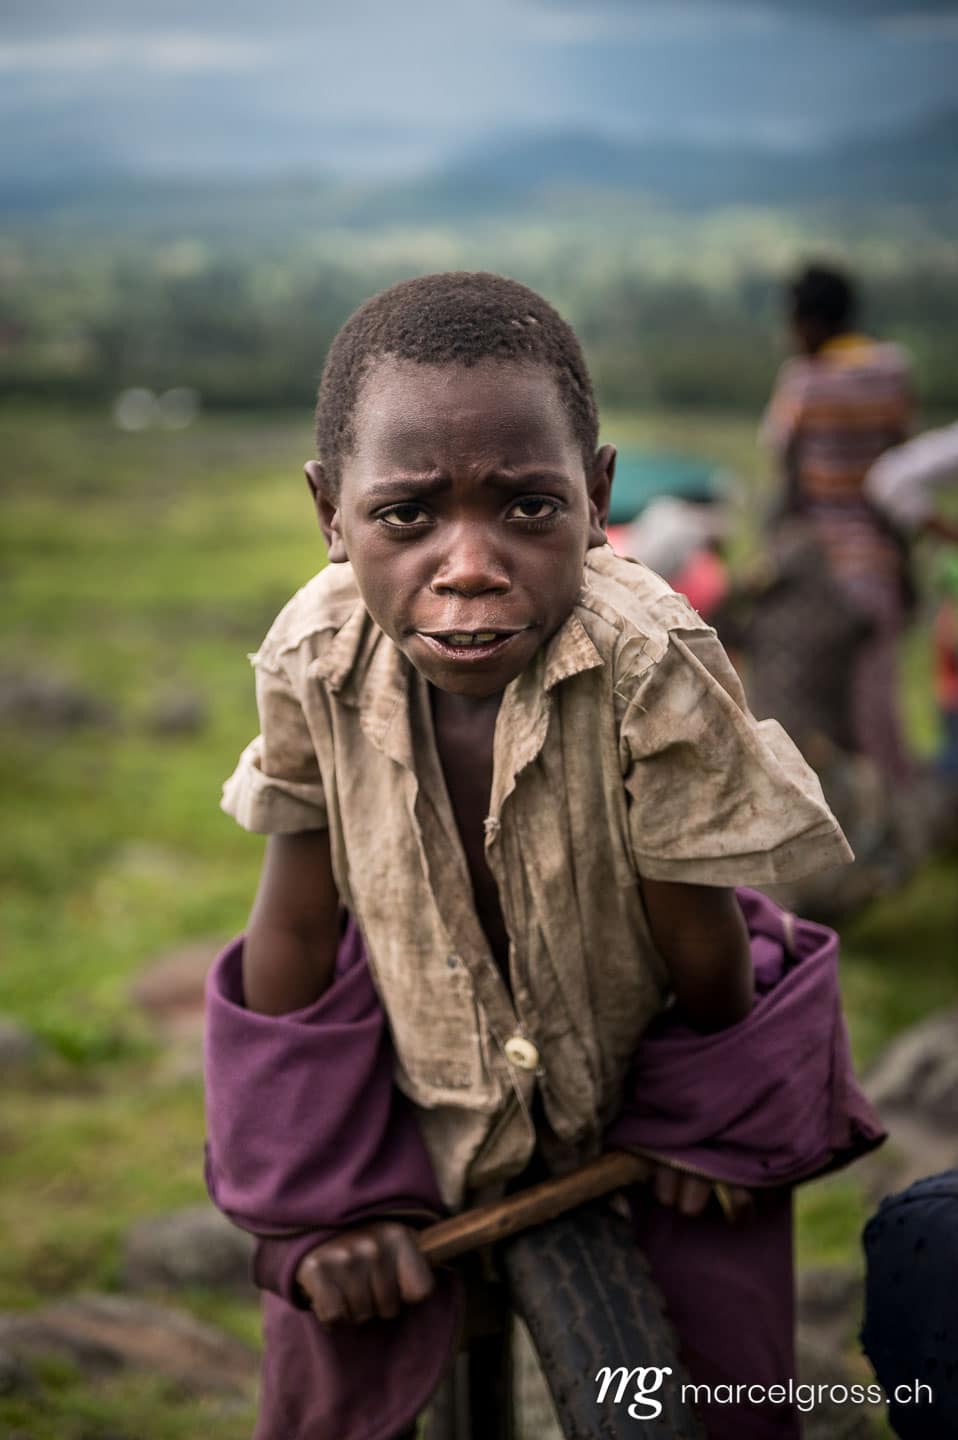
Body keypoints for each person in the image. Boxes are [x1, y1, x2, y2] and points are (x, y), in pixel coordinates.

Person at [208, 272, 878, 1440]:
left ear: (598, 493)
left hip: (643, 1073)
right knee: (328, 1345)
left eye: (527, 507)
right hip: (413, 1086)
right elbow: (298, 929)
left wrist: (702, 1118)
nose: (469, 564)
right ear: (329, 510)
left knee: (721, 1369)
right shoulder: (312, 656)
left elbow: (698, 927)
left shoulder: (646, 659)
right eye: (406, 515)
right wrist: (308, 1202)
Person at [762, 262, 914, 783]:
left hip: (817, 576)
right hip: (877, 566)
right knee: (877, 706)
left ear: (809, 322)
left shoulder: (803, 382)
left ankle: (836, 826)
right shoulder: (893, 372)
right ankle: (896, 821)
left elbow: (785, 470)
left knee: (809, 710)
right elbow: (902, 466)